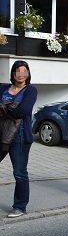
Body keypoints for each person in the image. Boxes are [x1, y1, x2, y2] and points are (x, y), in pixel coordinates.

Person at [0, 61, 38, 218]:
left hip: (20, 138)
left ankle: (20, 207)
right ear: (13, 73)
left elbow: (23, 111)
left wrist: (3, 107)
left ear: (28, 74)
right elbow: (15, 110)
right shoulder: (2, 88)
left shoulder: (31, 90)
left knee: (20, 173)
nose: (21, 74)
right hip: (1, 135)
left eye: (24, 71)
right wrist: (11, 107)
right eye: (17, 71)